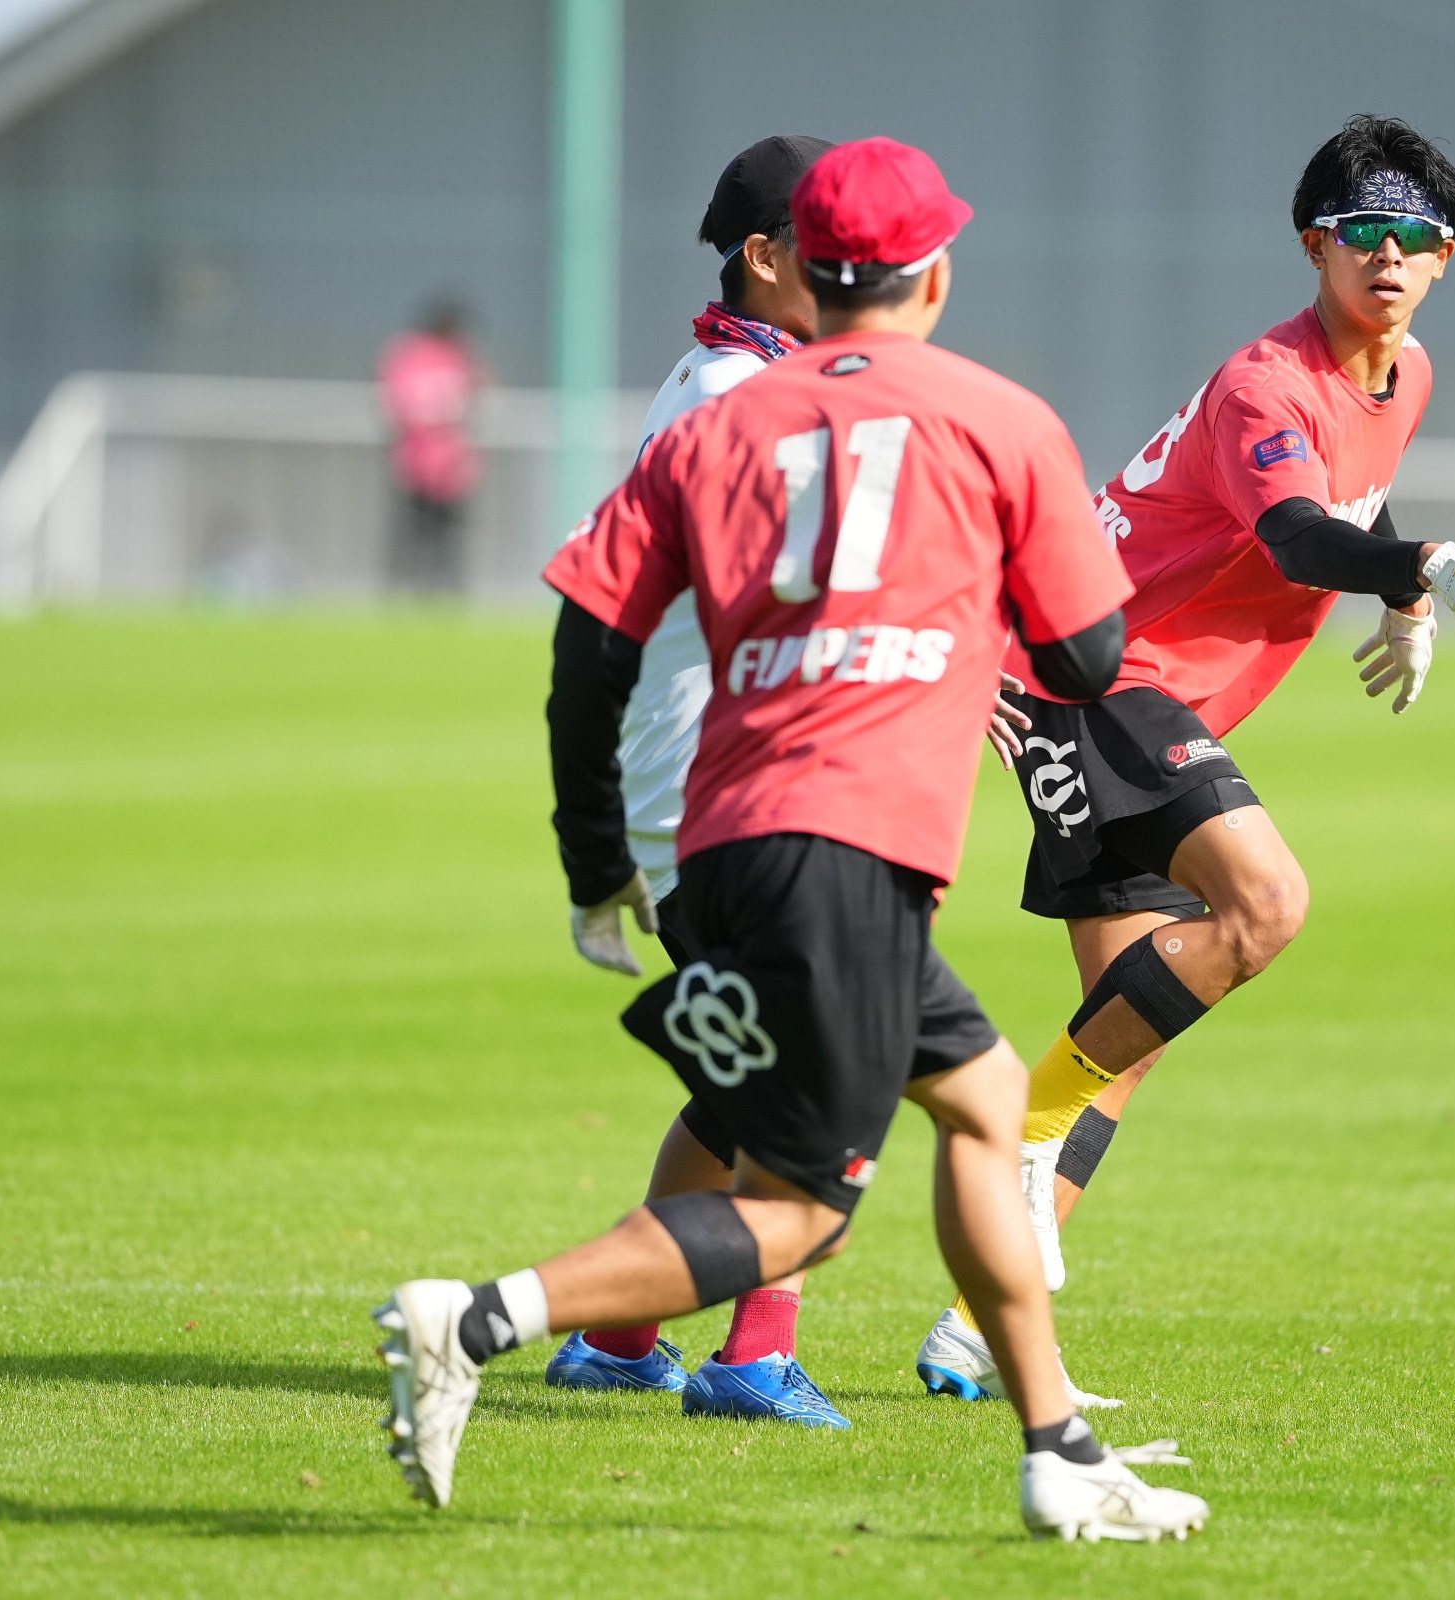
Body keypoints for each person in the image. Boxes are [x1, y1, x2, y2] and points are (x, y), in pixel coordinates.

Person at [373, 137, 1208, 1543]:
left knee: (984, 1102)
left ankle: (1058, 1450)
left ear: (805, 265)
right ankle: (476, 1319)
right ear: (935, 276)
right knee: (801, 1207)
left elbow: (588, 648)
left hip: (723, 832)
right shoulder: (999, 417)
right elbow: (1086, 657)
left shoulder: (719, 422)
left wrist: (593, 860)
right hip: (850, 841)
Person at [914, 113, 1455, 1397]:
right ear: (1315, 245)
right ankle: (1019, 1128)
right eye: (1364, 231)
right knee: (1266, 903)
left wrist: (1405, 597)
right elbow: (1300, 535)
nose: (1390, 255)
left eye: (1417, 235)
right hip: (1092, 670)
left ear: (1448, 257)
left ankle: (979, 1328)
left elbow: (1356, 494)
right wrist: (1423, 566)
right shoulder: (1267, 385)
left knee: (1127, 1030)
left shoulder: (1405, 376)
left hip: (1116, 680)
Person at [540, 133, 857, 1425]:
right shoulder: (741, 399)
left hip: (711, 786)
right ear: (765, 257)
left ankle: (621, 1338)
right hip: (721, 793)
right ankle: (749, 1358)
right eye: (836, 249)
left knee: (745, 1086)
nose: (868, 273)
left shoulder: (746, 375)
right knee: (824, 1073)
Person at [379, 299, 483, 592]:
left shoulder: (460, 355)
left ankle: (445, 589)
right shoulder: (411, 353)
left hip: (451, 467)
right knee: (412, 532)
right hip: (416, 463)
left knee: (448, 536)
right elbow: (399, 404)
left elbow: (475, 397)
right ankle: (402, 587)